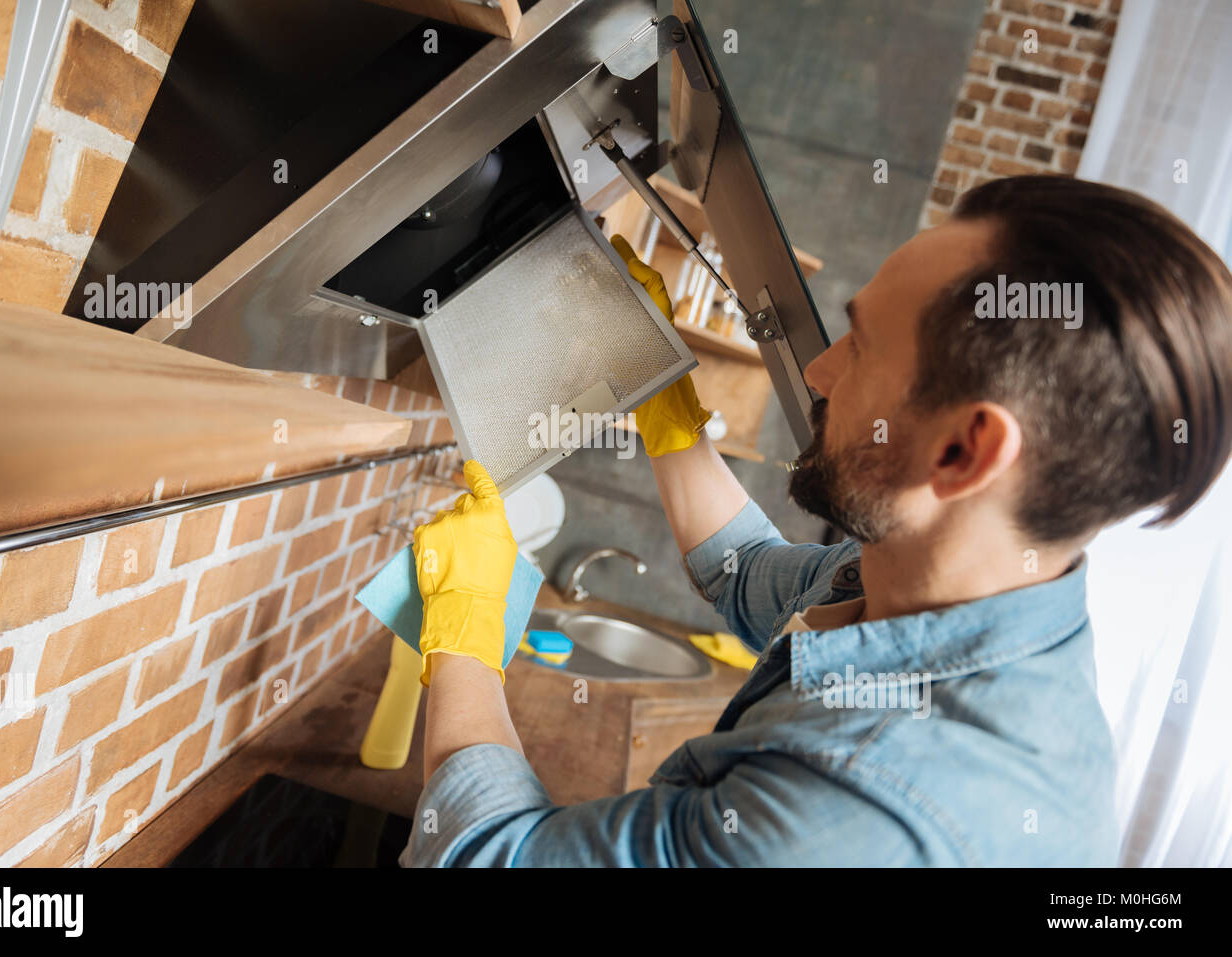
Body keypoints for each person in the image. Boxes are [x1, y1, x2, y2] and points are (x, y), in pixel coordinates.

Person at [398, 175, 1232, 866]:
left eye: (861, 345)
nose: (823, 372)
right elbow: (746, 572)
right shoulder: (935, 583)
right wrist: (655, 396)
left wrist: (466, 634)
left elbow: (489, 854)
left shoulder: (863, 805)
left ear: (965, 452)